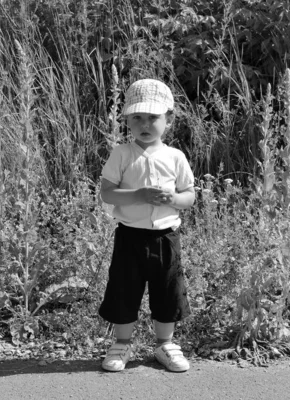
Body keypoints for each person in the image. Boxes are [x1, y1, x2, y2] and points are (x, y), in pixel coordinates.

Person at [98, 79, 195, 372]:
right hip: (130, 236)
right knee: (124, 289)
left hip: (166, 236)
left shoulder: (175, 156)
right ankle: (121, 344)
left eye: (153, 117)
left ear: (169, 119)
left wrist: (175, 199)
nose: (144, 123)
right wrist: (138, 195)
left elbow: (189, 196)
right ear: (126, 119)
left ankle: (165, 344)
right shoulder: (122, 154)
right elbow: (106, 193)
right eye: (136, 117)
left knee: (168, 290)